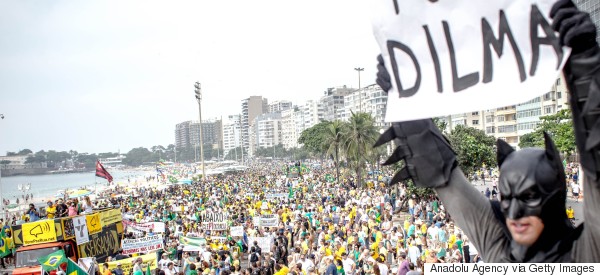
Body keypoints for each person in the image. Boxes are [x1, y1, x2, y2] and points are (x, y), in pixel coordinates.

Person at [374, 0, 600, 262]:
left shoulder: (586, 253)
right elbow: (443, 179)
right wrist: (406, 97)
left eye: (529, 196)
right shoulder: (495, 242)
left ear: (555, 194)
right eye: (507, 196)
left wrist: (586, 65)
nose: (514, 213)